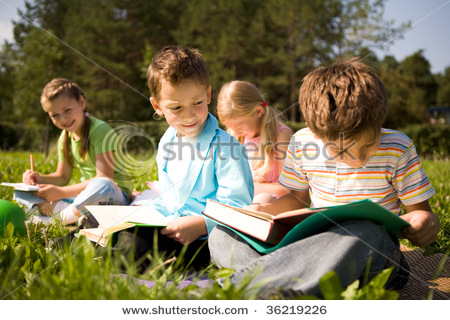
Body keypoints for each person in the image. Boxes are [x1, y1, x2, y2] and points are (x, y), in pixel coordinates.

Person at [208, 58, 440, 297]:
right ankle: (280, 285)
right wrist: (265, 210)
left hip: (375, 255)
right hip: (311, 246)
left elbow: (421, 211)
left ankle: (260, 287)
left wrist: (425, 222)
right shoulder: (301, 142)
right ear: (313, 129)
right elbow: (297, 199)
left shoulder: (397, 147)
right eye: (341, 150)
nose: (357, 157)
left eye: (369, 143)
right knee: (222, 234)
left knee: (366, 231)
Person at [111, 46, 254, 272]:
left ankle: (104, 255)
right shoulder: (167, 142)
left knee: (135, 247)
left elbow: (238, 206)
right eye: (176, 107)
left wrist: (201, 225)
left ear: (208, 95)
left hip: (204, 241)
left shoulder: (227, 147)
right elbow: (169, 198)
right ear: (157, 106)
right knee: (112, 229)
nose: (188, 115)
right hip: (170, 225)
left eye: (197, 103)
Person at [17, 78, 133, 225]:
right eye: (55, 115)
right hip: (84, 197)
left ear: (82, 103)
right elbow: (62, 176)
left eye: (67, 110)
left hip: (114, 195)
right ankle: (76, 214)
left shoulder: (99, 130)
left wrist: (60, 193)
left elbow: (106, 179)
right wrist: (39, 179)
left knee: (102, 184)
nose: (63, 119)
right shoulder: (65, 137)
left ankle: (57, 220)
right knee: (22, 193)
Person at [216, 81, 292, 203]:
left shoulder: (281, 135)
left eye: (240, 126)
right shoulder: (237, 136)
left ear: (258, 112)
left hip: (271, 204)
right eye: (230, 127)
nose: (236, 132)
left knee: (263, 198)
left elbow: (285, 188)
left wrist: (244, 186)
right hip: (245, 200)